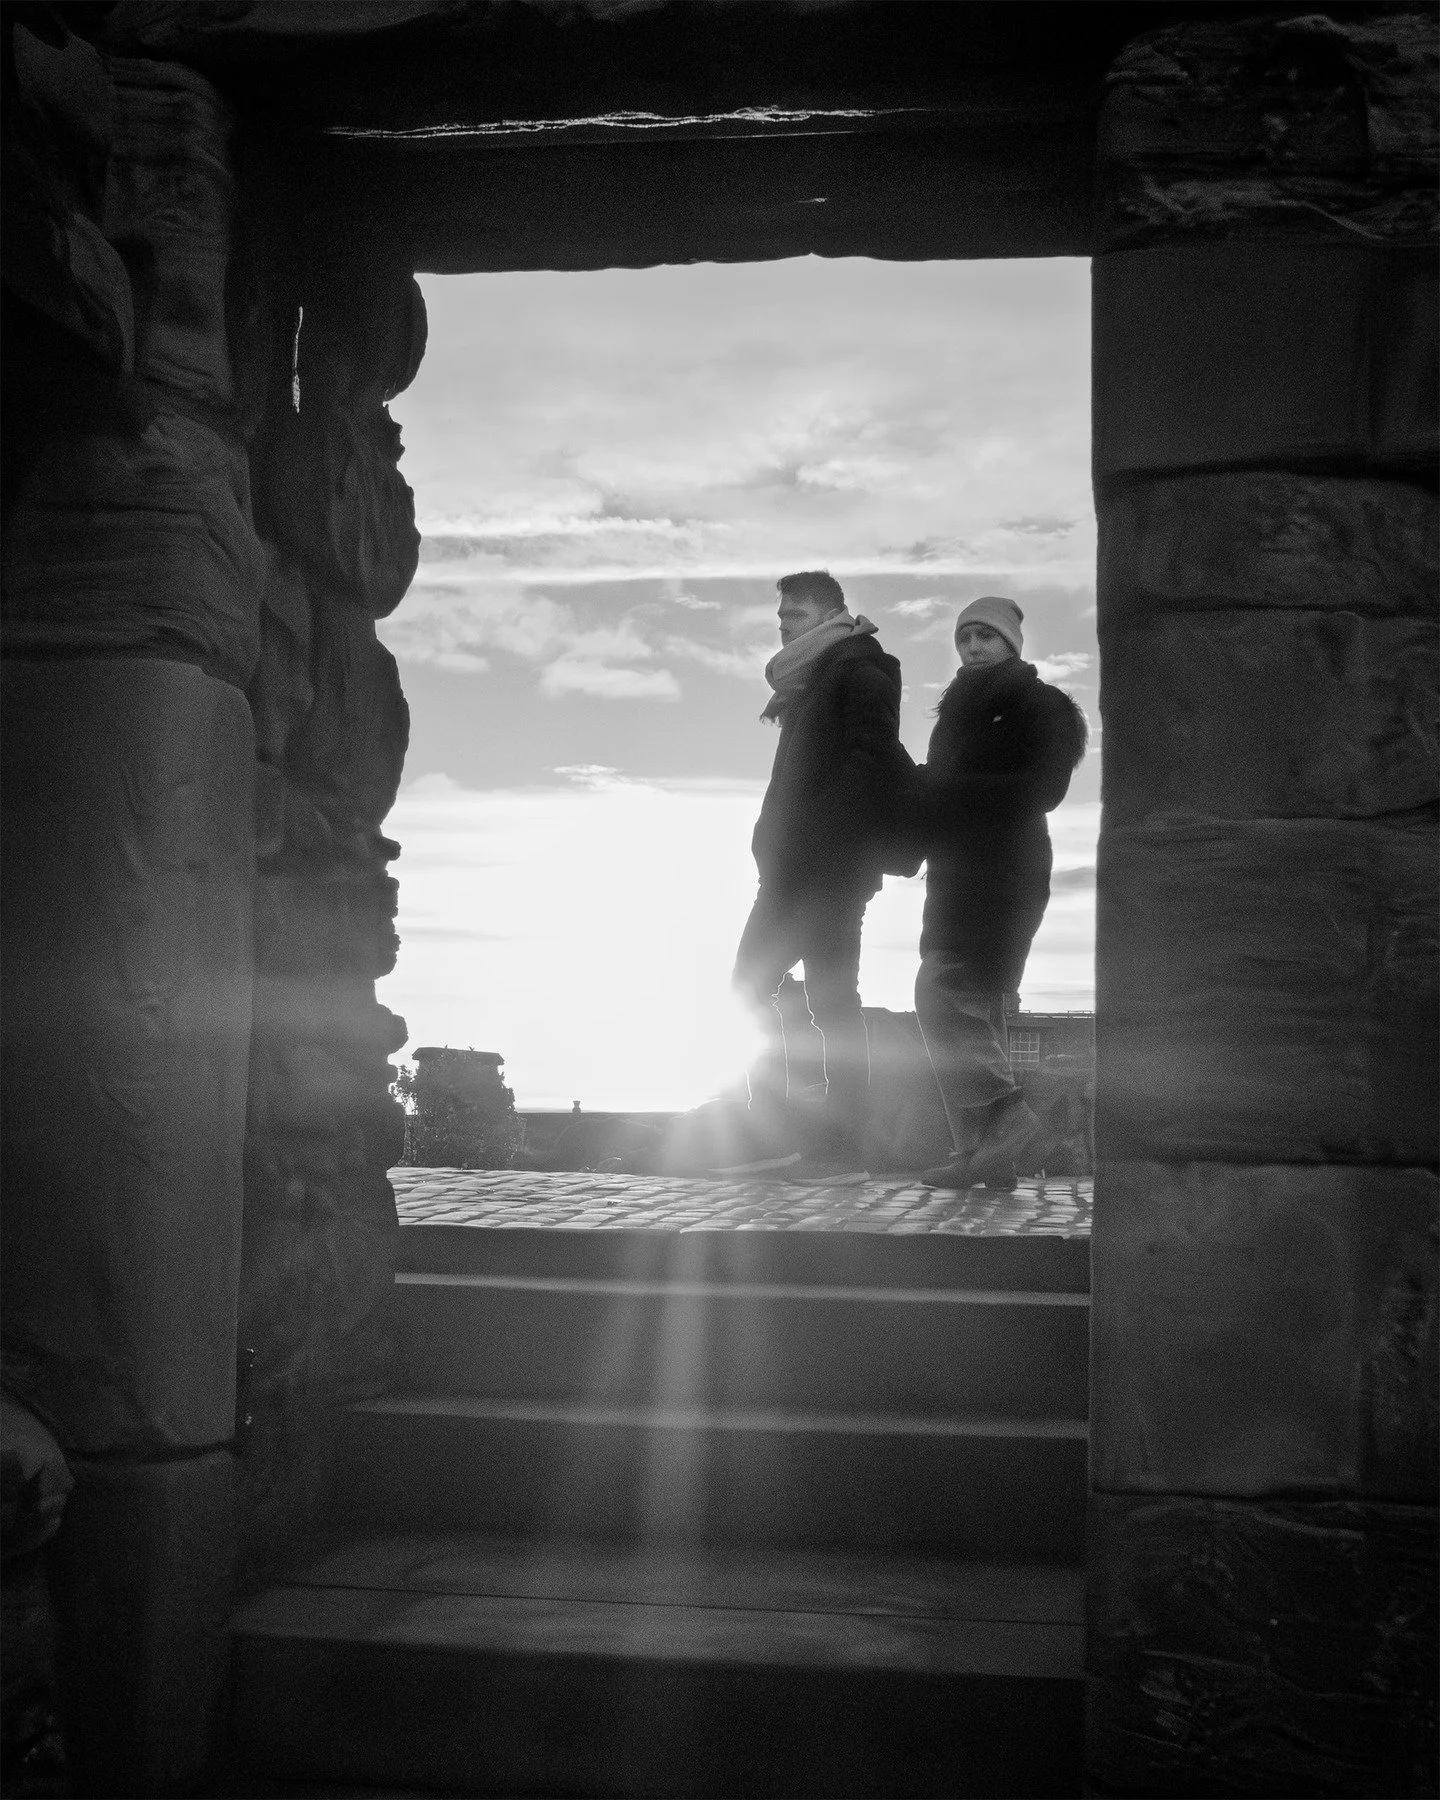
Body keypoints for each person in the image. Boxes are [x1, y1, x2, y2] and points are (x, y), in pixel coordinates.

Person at [727, 570, 910, 1183]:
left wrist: (825, 846)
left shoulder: (861, 668)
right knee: (757, 986)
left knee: (830, 1003)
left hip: (828, 868)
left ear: (832, 613)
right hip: (790, 868)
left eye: (796, 616)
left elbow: (872, 761)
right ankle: (779, 1137)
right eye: (782, 616)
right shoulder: (813, 676)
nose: (784, 625)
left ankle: (841, 1149)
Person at [909, 595, 1088, 1189]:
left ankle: (1009, 1121)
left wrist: (951, 791)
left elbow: (1044, 789)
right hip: (954, 873)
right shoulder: (953, 713)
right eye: (966, 637)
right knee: (978, 1007)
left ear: (1011, 642)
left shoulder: (1044, 707)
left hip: (1006, 871)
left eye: (986, 636)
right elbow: (936, 794)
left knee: (942, 988)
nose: (975, 646)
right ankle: (984, 1156)